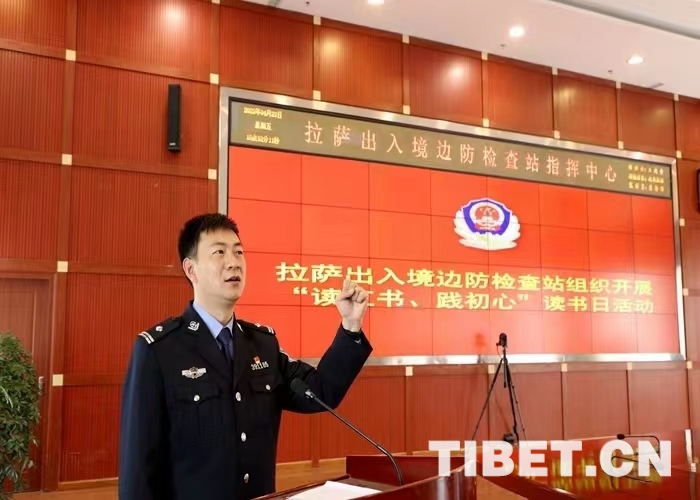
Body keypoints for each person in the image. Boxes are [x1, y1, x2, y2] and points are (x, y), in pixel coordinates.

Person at [118, 213, 372, 500]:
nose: (233, 262)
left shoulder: (262, 344)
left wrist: (351, 326)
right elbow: (138, 469)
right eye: (219, 252)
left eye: (238, 252)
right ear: (191, 269)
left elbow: (320, 391)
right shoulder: (159, 350)